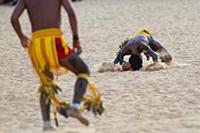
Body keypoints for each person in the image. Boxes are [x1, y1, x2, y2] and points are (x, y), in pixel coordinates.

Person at [11, 0, 95, 130]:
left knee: (46, 84)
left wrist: (21, 36)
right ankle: (74, 107)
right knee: (83, 70)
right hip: (54, 42)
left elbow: (14, 18)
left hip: (37, 45)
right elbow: (71, 13)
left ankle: (46, 125)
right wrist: (76, 39)